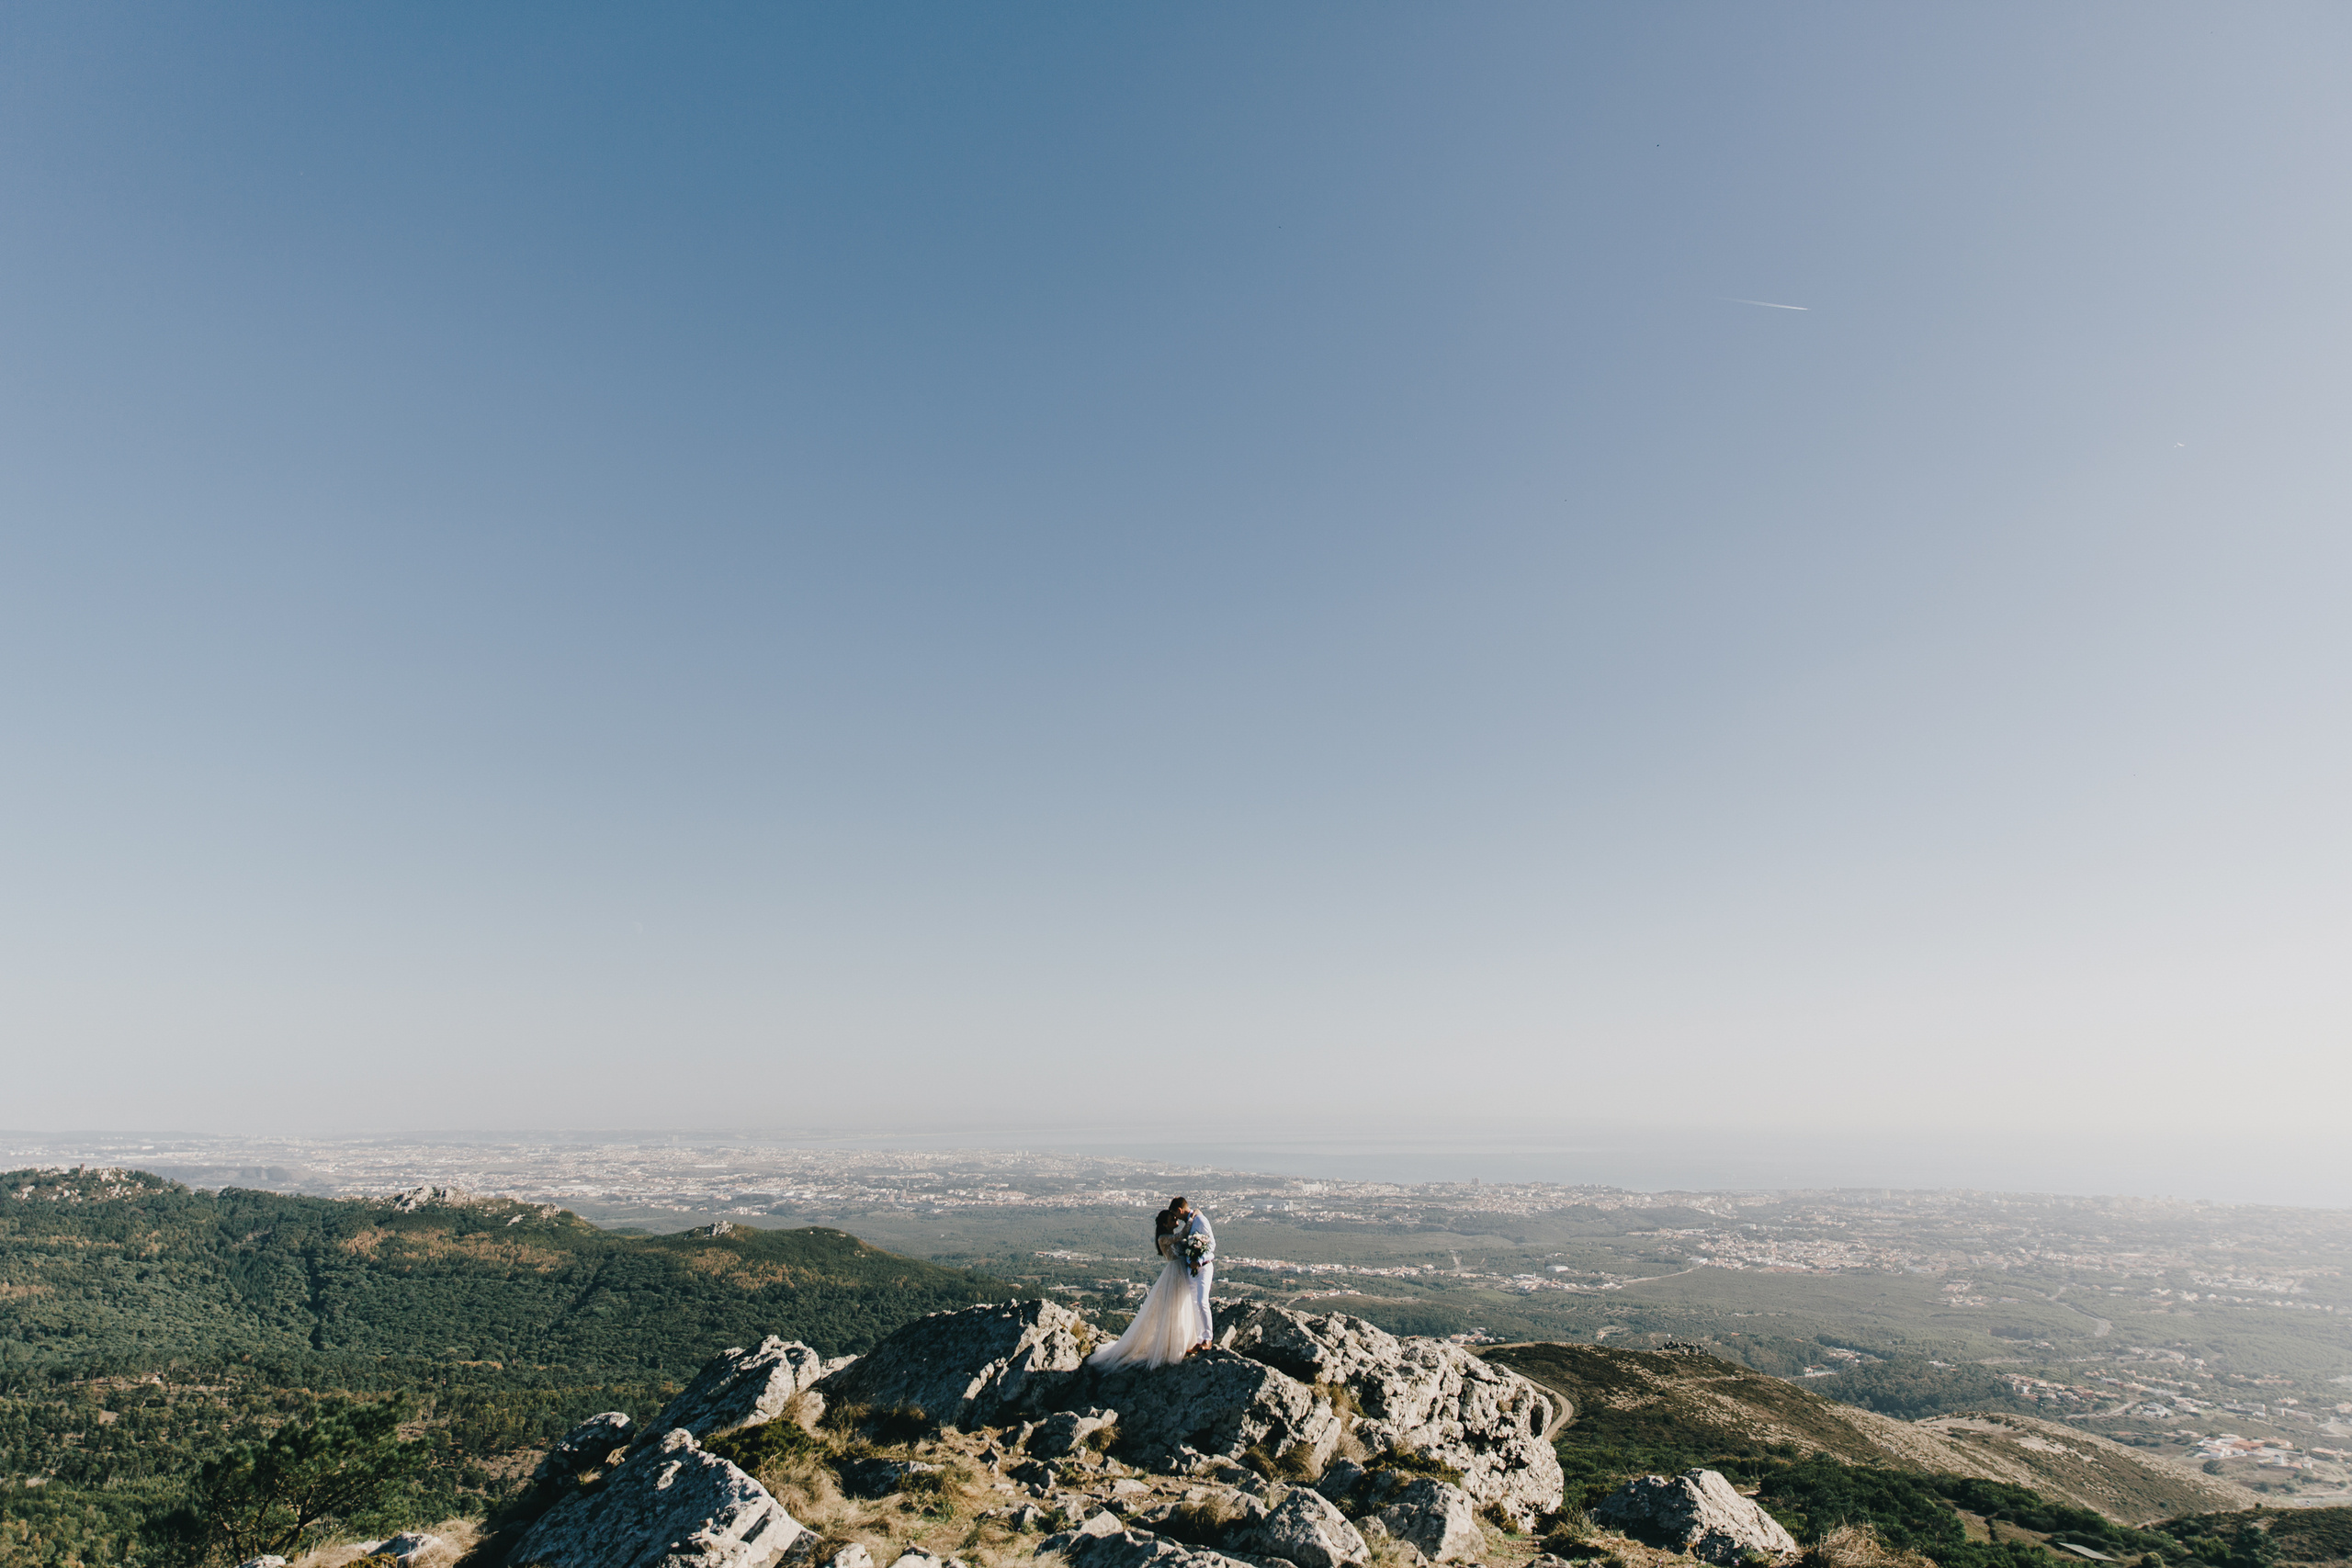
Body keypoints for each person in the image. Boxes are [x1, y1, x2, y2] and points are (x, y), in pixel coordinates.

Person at [1084, 1206, 1206, 1371]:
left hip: (1182, 1274)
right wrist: (1192, 1217)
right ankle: (1170, 1346)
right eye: (1173, 1219)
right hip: (1175, 1275)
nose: (1176, 1221)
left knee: (1182, 1307)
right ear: (1165, 1224)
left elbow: (1184, 1240)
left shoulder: (1169, 1237)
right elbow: (1182, 1235)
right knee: (1173, 1308)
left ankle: (1182, 1343)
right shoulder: (1163, 1238)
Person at [1171, 1195, 1216, 1352]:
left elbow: (1212, 1245)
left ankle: (1208, 1338)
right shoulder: (1191, 1221)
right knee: (1194, 1304)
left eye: (1175, 1215)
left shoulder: (1200, 1220)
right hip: (1192, 1268)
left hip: (1204, 1266)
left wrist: (1200, 1259)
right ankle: (1199, 1339)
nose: (1176, 1218)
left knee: (1202, 1301)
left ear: (1179, 1210)